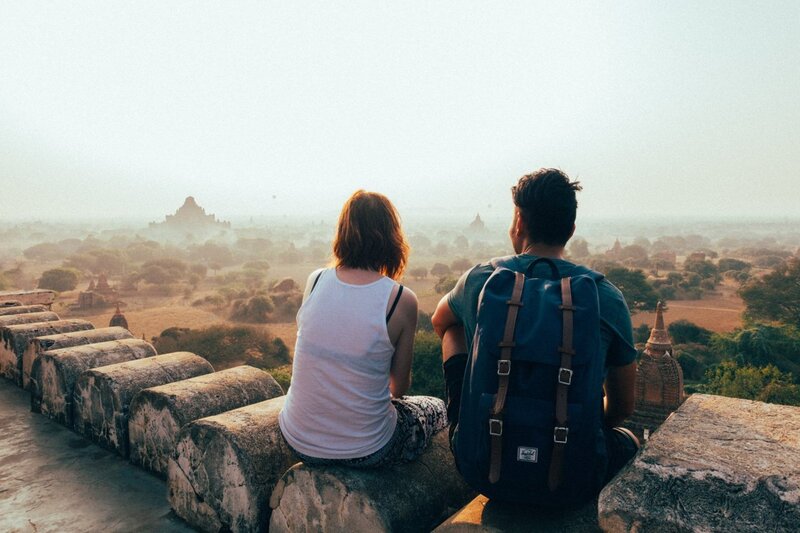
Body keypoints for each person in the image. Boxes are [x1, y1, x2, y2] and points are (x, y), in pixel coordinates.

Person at [431, 168, 639, 495]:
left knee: (453, 330)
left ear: (518, 222)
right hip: (574, 478)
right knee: (629, 442)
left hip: (480, 468)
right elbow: (623, 407)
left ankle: (464, 416)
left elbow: (440, 322)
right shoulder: (605, 297)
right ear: (571, 229)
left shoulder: (480, 280)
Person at [279, 190, 447, 468]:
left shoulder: (316, 280)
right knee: (435, 408)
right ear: (392, 237)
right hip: (368, 450)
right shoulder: (400, 299)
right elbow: (399, 388)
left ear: (343, 233)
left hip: (297, 439)